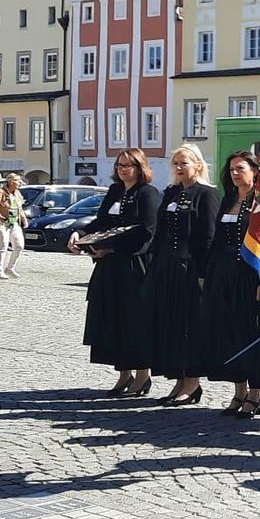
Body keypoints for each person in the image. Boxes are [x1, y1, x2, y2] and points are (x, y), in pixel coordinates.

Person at [68, 149, 162, 398]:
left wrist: (111, 249)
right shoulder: (115, 191)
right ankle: (123, 374)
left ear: (140, 167)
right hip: (109, 267)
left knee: (135, 321)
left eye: (129, 165)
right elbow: (101, 223)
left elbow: (147, 232)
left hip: (134, 266)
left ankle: (142, 376)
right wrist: (81, 234)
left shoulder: (148, 193)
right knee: (111, 319)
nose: (123, 169)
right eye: (120, 165)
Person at [194, 151, 260, 419]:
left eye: (241, 168)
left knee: (249, 333)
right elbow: (215, 240)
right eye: (233, 169)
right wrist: (205, 273)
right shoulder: (228, 199)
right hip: (222, 274)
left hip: (248, 275)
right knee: (229, 333)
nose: (236, 173)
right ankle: (239, 391)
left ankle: (255, 395)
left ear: (254, 171)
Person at [145, 144, 220, 407]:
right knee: (172, 326)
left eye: (184, 163)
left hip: (189, 267)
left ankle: (192, 382)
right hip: (167, 266)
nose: (178, 168)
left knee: (190, 327)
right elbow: (160, 231)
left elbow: (209, 237)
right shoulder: (171, 193)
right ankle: (178, 380)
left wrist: (203, 272)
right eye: (175, 163)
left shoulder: (207, 194)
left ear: (197, 165)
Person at [0, 173, 29, 278]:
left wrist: (24, 220)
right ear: (11, 181)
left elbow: (20, 208)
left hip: (14, 223)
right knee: (3, 247)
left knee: (19, 246)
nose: (20, 183)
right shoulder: (0, 192)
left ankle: (10, 268)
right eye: (17, 181)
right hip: (1, 223)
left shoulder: (17, 193)